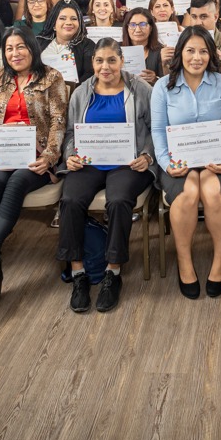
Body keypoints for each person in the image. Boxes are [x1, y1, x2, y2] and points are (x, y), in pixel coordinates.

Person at [0, 26, 70, 301]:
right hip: (0, 153)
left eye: (20, 46)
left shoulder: (52, 77)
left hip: (36, 155)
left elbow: (58, 122)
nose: (15, 53)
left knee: (18, 181)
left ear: (32, 47)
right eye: (9, 48)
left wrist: (49, 157)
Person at [58, 38, 156, 313]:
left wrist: (147, 156)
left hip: (128, 163)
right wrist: (70, 155)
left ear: (122, 61)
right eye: (99, 60)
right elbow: (70, 133)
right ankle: (78, 272)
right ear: (92, 63)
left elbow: (155, 128)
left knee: (119, 200)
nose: (106, 66)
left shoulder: (141, 89)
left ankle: (113, 271)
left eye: (112, 60)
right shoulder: (81, 92)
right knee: (70, 200)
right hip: (88, 163)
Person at [150, 26, 221, 299]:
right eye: (190, 50)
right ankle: (184, 261)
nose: (197, 57)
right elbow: (158, 130)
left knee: (213, 192)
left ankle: (220, 260)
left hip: (217, 158)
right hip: (178, 160)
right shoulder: (162, 86)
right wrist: (166, 163)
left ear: (212, 54)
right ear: (180, 53)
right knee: (188, 193)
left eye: (203, 51)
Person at [39, 0, 96, 85]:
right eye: (62, 18)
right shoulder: (38, 42)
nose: (68, 22)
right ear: (54, 24)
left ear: (79, 23)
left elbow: (90, 74)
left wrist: (71, 90)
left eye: (74, 19)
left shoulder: (88, 45)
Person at [121, 8, 166, 85]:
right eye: (132, 25)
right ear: (127, 28)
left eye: (143, 24)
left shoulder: (160, 51)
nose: (138, 30)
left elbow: (168, 82)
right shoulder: (117, 49)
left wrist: (155, 79)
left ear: (151, 28)